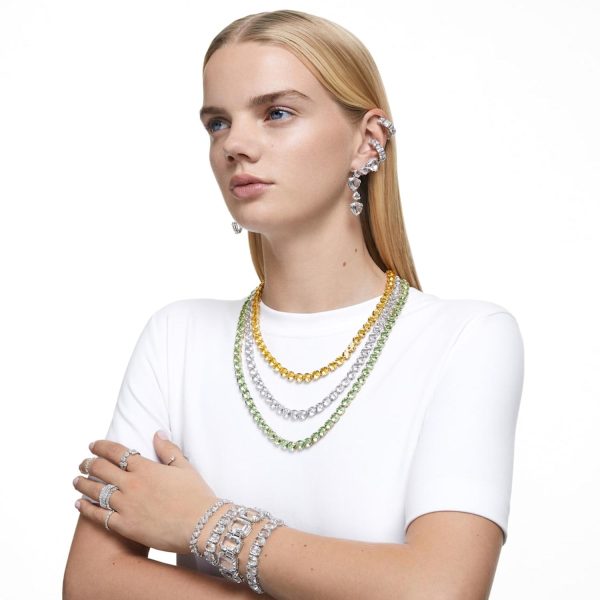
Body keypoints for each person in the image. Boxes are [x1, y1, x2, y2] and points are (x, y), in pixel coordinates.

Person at [63, 9, 524, 600]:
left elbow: (440, 589)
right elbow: (92, 584)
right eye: (217, 123)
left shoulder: (467, 338)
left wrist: (204, 525)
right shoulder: (178, 337)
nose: (235, 145)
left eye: (276, 113)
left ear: (367, 140)